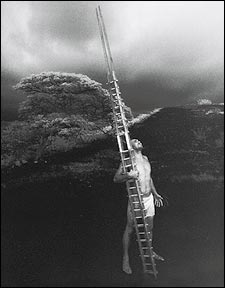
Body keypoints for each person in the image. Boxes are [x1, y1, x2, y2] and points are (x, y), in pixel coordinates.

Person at [113, 139, 164, 274]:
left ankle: (149, 251)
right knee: (130, 229)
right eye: (134, 140)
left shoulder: (146, 158)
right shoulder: (127, 161)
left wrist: (155, 193)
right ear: (131, 146)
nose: (138, 141)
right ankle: (125, 258)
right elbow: (116, 178)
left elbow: (149, 177)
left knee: (150, 227)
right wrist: (128, 175)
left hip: (149, 199)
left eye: (139, 140)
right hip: (136, 199)